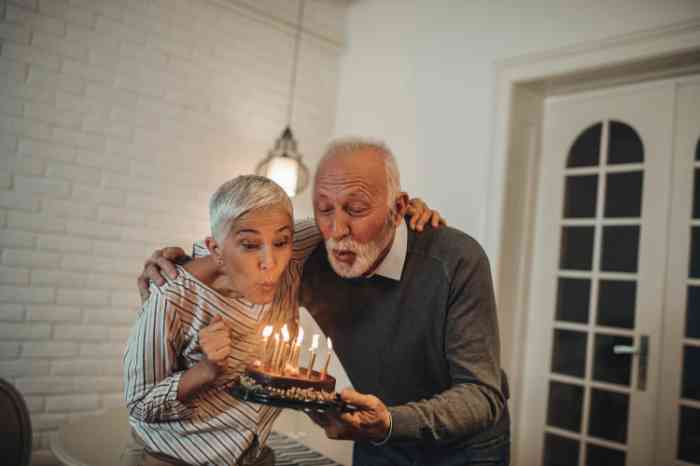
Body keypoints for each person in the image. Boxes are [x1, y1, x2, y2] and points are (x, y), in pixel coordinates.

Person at [138, 138, 509, 466]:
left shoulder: (456, 260)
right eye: (324, 209)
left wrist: (393, 421)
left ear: (398, 210)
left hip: (465, 449)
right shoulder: (312, 257)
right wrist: (179, 267)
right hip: (372, 438)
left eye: (357, 209)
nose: (336, 230)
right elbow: (237, 250)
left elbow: (481, 394)